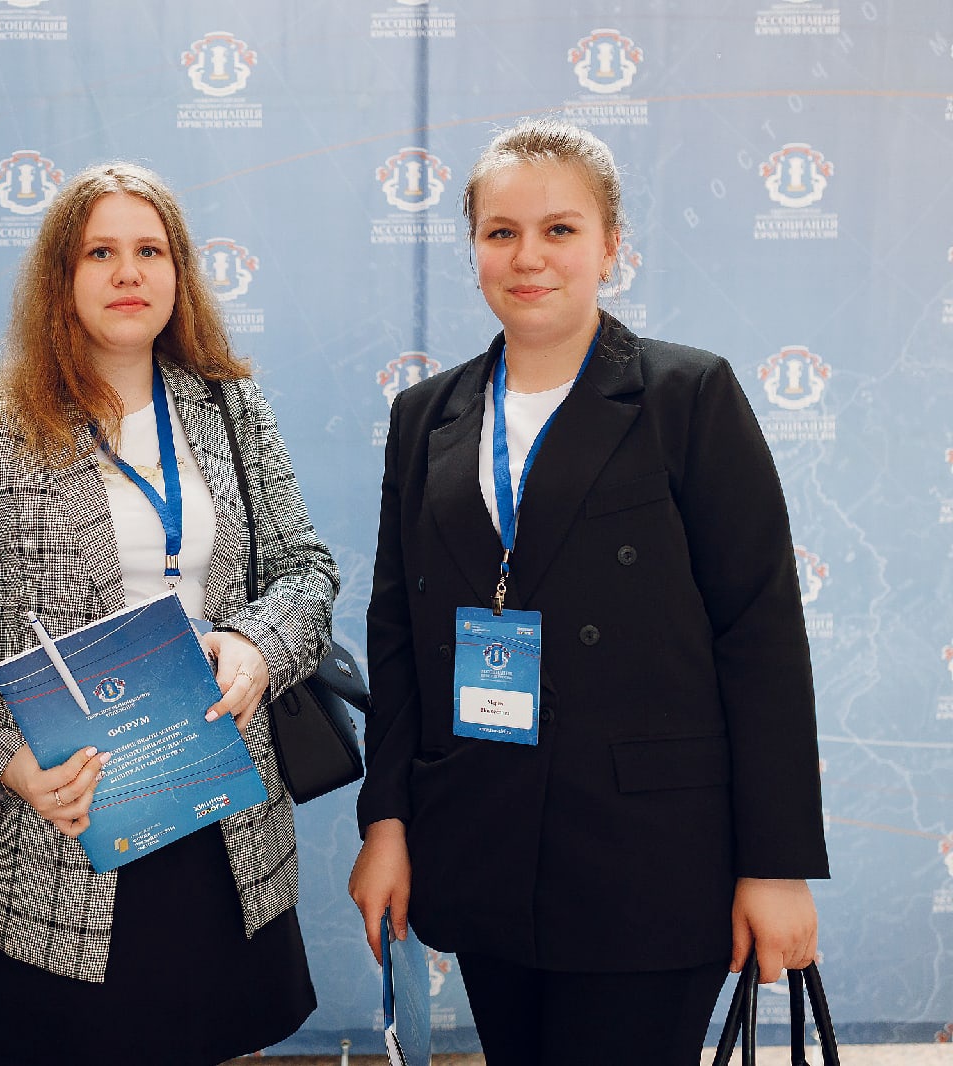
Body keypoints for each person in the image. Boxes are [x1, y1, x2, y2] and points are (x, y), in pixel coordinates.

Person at [348, 120, 830, 1065]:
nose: (528, 256)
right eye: (501, 232)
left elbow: (761, 634)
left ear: (611, 246)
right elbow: (397, 634)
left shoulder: (687, 395)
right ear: (475, 249)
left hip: (648, 855)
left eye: (560, 230)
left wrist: (775, 865)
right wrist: (388, 821)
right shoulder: (425, 415)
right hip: (480, 837)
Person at [0, 162, 338, 1066]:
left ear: (180, 273)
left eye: (150, 250)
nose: (128, 272)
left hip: (222, 813)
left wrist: (255, 645)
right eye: (100, 252)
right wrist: (18, 768)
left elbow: (307, 571)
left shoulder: (229, 409)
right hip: (61, 821)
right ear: (61, 277)